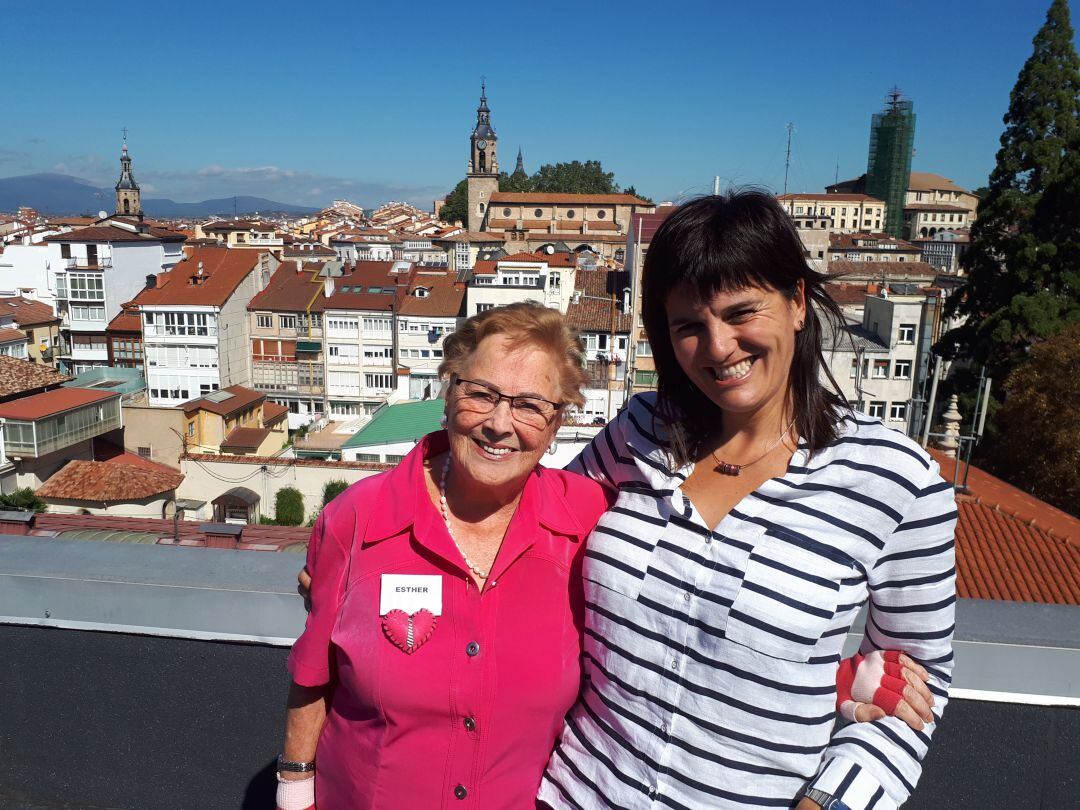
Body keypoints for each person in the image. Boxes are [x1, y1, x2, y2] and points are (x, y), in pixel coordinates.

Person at [279, 298, 935, 809]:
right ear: (447, 390)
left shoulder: (585, 520)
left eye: (530, 405)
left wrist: (831, 678)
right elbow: (312, 679)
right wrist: (292, 794)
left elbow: (680, 606)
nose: (499, 423)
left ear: (560, 422)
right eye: (479, 392)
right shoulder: (359, 519)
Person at [537, 192, 957, 810]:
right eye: (689, 327)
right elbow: (537, 541)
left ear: (797, 303)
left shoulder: (896, 481)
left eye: (741, 313)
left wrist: (830, 802)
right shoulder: (641, 430)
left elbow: (922, 691)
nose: (718, 347)